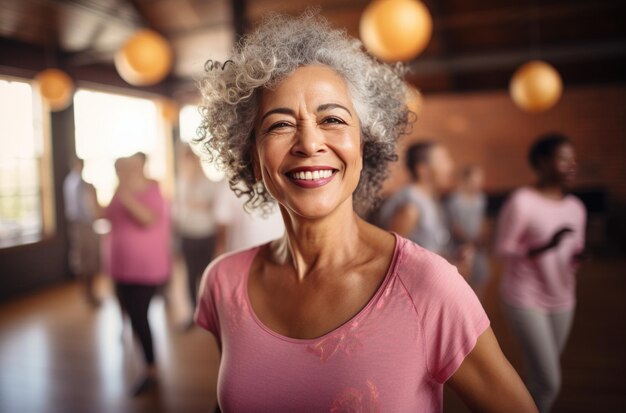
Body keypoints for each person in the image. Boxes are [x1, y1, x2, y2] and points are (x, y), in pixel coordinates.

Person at [193, 12, 536, 412]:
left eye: (332, 120)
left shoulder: (427, 286)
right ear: (253, 159)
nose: (309, 142)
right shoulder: (222, 283)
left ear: (363, 145)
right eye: (280, 125)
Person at [495, 134, 586, 412]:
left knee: (540, 377)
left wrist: (577, 256)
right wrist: (546, 246)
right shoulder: (522, 201)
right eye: (563, 159)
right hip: (525, 299)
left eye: (573, 159)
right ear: (543, 163)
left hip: (563, 300)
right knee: (549, 382)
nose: (572, 165)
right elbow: (502, 248)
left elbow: (573, 252)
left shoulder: (576, 207)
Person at [106, 153, 171, 396]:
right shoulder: (119, 190)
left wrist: (124, 194)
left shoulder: (152, 190)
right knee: (132, 316)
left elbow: (147, 219)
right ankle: (144, 361)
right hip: (120, 266)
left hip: (144, 268)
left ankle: (151, 370)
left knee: (140, 318)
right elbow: (106, 217)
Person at [173, 145, 219, 328]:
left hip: (206, 233)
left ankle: (210, 314)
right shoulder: (181, 183)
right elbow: (178, 209)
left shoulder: (208, 182)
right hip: (187, 234)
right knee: (190, 276)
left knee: (207, 275)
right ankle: (194, 314)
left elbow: (211, 205)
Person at [447, 165, 490, 297]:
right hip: (460, 247)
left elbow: (481, 220)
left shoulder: (480, 198)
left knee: (480, 279)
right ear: (467, 179)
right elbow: (453, 225)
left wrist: (482, 238)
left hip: (478, 248)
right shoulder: (455, 199)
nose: (479, 182)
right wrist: (469, 240)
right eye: (476, 178)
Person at [63, 157, 101, 306]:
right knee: (88, 259)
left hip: (77, 225)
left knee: (81, 258)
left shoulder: (68, 182)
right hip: (84, 225)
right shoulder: (80, 184)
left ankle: (86, 293)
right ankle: (89, 294)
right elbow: (86, 209)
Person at [213, 179, 285, 255]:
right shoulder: (230, 184)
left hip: (278, 254)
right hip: (240, 257)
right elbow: (222, 225)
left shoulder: (281, 182)